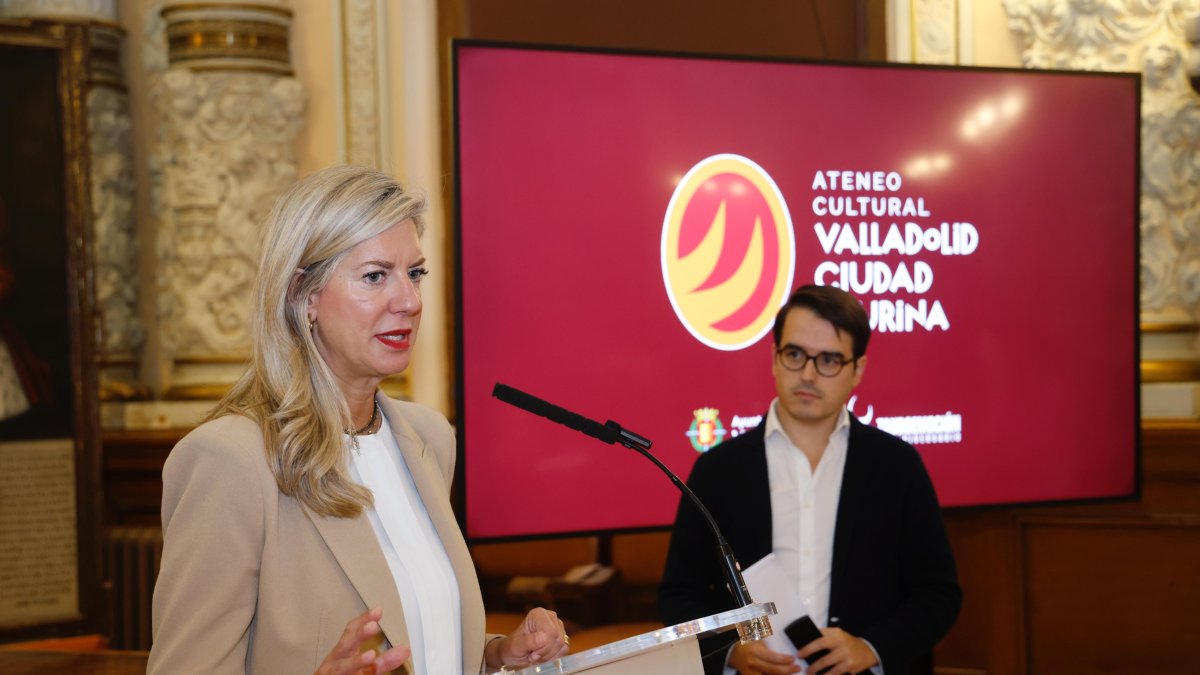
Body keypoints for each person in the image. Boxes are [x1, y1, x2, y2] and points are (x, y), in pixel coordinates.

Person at [149, 165, 569, 674]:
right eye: (375, 276)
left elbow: (421, 641)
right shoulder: (231, 460)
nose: (410, 301)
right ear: (303, 296)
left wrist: (498, 654)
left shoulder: (429, 440)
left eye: (415, 273)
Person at [658, 284, 961, 675]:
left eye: (830, 360)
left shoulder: (897, 466)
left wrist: (872, 647)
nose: (808, 374)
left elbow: (939, 594)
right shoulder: (719, 470)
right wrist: (732, 650)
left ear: (858, 369)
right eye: (796, 354)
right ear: (774, 357)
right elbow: (678, 595)